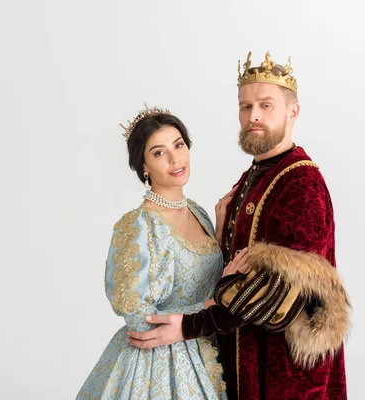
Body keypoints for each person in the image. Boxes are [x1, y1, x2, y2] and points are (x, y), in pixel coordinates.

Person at [127, 52, 350, 400]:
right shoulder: (256, 174)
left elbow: (278, 294)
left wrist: (191, 326)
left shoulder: (301, 182)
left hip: (286, 372)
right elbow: (234, 267)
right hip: (245, 359)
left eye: (265, 105)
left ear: (293, 111)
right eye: (245, 106)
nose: (254, 116)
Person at [76, 105, 250, 399]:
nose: (174, 158)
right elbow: (140, 320)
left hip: (205, 349)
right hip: (157, 365)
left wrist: (219, 231)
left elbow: (197, 275)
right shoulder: (139, 225)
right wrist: (214, 302)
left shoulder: (197, 211)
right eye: (158, 152)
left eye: (179, 144)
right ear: (144, 166)